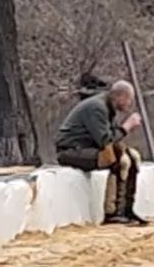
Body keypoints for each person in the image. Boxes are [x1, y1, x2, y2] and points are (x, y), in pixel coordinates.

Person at [55, 79, 147, 225]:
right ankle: (112, 212)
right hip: (71, 151)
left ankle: (127, 209)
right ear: (120, 96)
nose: (130, 104)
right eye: (129, 100)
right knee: (116, 159)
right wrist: (127, 126)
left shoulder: (107, 108)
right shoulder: (97, 108)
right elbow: (105, 140)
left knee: (132, 157)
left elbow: (111, 139)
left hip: (87, 148)